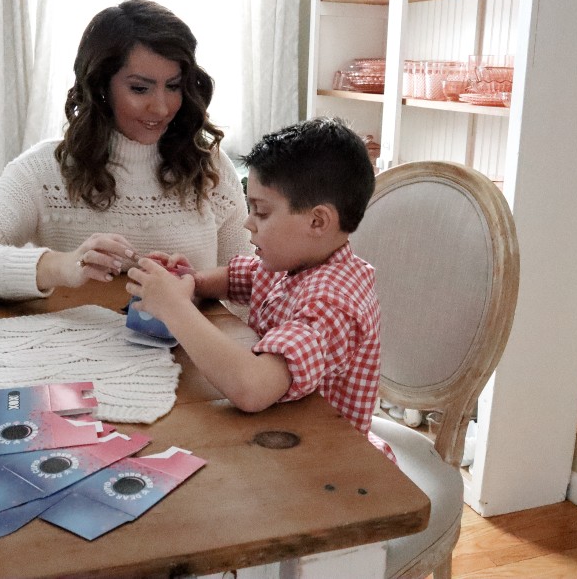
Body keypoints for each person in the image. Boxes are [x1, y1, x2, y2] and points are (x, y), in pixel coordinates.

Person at [0, 0, 252, 299]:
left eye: (173, 86)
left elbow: (252, 284)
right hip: (73, 351)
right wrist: (63, 266)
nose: (161, 107)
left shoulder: (210, 166)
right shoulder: (45, 169)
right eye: (139, 88)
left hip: (189, 350)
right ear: (100, 87)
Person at [127, 116, 387, 451]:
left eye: (261, 213)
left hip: (326, 463)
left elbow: (252, 388)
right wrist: (192, 282)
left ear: (317, 221)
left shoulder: (334, 305)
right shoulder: (293, 260)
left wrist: (175, 308)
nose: (248, 224)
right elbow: (241, 278)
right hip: (275, 436)